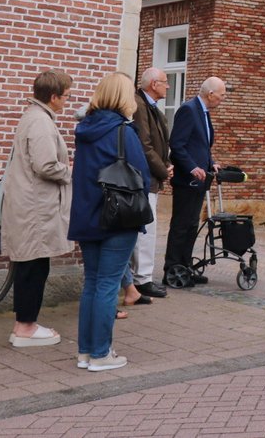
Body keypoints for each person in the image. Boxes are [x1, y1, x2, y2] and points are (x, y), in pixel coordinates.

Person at [68, 72, 151, 372]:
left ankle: (86, 352)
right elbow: (141, 174)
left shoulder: (84, 130)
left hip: (86, 216)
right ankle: (102, 354)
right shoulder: (123, 132)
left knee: (92, 283)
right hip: (117, 217)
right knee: (107, 285)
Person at [1, 69, 74, 348]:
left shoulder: (32, 116)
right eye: (65, 96)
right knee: (34, 266)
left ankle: (25, 324)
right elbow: (45, 165)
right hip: (35, 208)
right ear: (53, 96)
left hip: (29, 204)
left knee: (31, 265)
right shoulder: (41, 122)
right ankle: (26, 328)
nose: (67, 101)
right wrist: (68, 171)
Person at [164, 76, 226, 287]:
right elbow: (177, 145)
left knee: (191, 225)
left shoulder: (204, 112)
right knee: (181, 225)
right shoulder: (188, 110)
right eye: (221, 94)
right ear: (210, 94)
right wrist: (192, 167)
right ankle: (171, 269)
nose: (222, 98)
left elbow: (202, 146)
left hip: (201, 180)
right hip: (187, 180)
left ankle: (186, 267)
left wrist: (212, 163)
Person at [130, 67, 172, 300]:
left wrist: (166, 162)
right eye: (165, 82)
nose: (168, 86)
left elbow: (157, 141)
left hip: (151, 175)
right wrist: (163, 169)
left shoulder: (149, 106)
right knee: (147, 229)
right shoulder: (140, 106)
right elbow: (144, 144)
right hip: (145, 177)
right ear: (153, 84)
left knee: (149, 228)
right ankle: (142, 278)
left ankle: (142, 277)